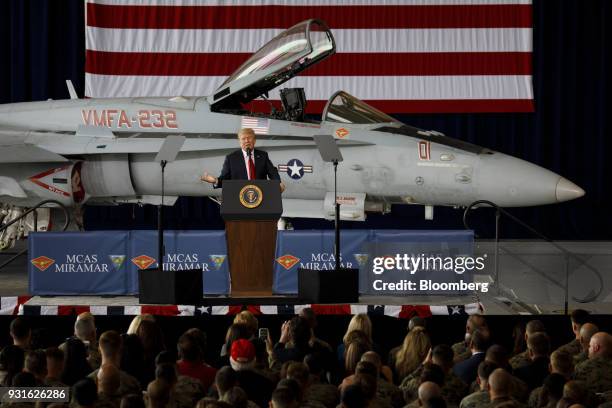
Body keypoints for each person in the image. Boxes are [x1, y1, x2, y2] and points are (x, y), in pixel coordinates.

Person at [201, 128, 285, 191]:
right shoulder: (231, 158)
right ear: (239, 141)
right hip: (240, 197)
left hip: (260, 195)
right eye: (243, 139)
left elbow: (272, 172)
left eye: (249, 138)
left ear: (254, 140)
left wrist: (278, 183)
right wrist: (215, 181)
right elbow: (225, 178)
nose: (247, 141)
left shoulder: (263, 155)